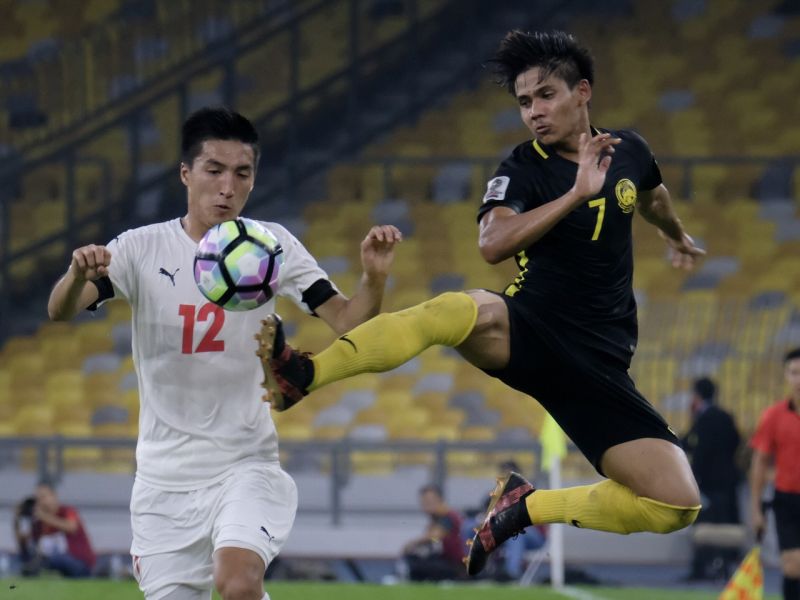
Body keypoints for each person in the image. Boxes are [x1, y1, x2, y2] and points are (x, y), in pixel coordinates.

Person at [257, 29, 706, 577]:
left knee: (675, 505)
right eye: (524, 102)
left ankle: (523, 507)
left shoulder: (629, 149)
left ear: (583, 91)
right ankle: (304, 374)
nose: (534, 112)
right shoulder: (522, 167)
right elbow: (492, 244)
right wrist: (575, 195)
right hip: (531, 326)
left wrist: (675, 235)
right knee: (457, 310)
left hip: (599, 363)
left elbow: (653, 197)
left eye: (546, 95)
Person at [47, 107, 402, 600]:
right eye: (214, 171)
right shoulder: (141, 248)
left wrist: (374, 279)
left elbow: (347, 321)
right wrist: (76, 276)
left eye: (242, 173)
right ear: (186, 173)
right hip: (162, 484)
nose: (227, 188)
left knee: (237, 584)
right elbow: (61, 309)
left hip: (244, 465)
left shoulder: (271, 246)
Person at [750, 348, 800, 600]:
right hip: (787, 500)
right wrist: (756, 509)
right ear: (786, 376)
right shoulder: (773, 416)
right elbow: (760, 462)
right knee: (792, 565)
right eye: (794, 372)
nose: (799, 379)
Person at [681, 377, 742, 580]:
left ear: (697, 395)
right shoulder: (725, 416)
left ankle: (702, 568)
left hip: (708, 482)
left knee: (705, 524)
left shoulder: (703, 418)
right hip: (728, 481)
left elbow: (698, 449)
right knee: (725, 524)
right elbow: (736, 441)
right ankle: (724, 567)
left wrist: (694, 476)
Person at [400, 484, 465, 581]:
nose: (426, 505)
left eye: (430, 501)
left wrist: (412, 543)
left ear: (440, 500)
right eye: (424, 502)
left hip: (457, 565)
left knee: (417, 565)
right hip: (447, 560)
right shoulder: (436, 519)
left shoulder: (448, 516)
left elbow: (435, 536)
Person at [31, 481, 96, 578]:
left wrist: (45, 517)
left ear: (54, 496)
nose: (42, 502)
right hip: (58, 561)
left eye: (44, 497)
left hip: (80, 562)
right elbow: (31, 542)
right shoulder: (40, 522)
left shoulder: (67, 511)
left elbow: (71, 527)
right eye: (38, 499)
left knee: (53, 559)